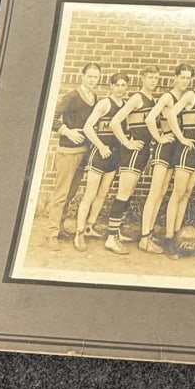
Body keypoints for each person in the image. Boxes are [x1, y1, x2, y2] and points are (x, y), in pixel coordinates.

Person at [104, 67, 161, 254]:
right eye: (150, 78)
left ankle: (117, 231)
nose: (153, 81)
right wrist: (127, 142)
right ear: (143, 79)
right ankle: (111, 238)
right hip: (133, 152)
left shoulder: (152, 100)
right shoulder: (137, 98)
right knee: (123, 193)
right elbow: (114, 122)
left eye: (156, 78)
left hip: (143, 151)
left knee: (128, 193)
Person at [161, 64, 195, 258]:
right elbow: (170, 114)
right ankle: (168, 239)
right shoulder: (190, 95)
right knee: (177, 194)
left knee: (187, 194)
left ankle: (177, 235)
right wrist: (182, 138)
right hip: (187, 149)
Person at [45, 62, 101, 251]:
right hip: (68, 151)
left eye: (96, 77)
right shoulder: (71, 96)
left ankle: (60, 227)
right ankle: (52, 233)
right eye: (90, 76)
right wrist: (66, 131)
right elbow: (51, 117)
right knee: (60, 194)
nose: (93, 80)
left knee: (71, 193)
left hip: (84, 151)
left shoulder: (95, 97)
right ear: (82, 76)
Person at [137, 64, 192, 254]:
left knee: (162, 193)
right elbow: (150, 118)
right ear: (175, 78)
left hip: (177, 148)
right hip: (165, 147)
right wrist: (159, 138)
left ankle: (150, 234)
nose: (185, 81)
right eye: (182, 77)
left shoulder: (185, 98)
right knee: (155, 192)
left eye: (188, 78)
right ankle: (144, 238)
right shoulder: (168, 97)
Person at [73, 72, 130, 251]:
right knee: (90, 194)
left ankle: (90, 226)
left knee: (103, 193)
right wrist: (101, 146)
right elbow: (87, 127)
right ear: (111, 86)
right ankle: (79, 233)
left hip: (113, 156)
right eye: (117, 85)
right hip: (99, 154)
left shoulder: (126, 106)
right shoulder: (105, 103)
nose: (120, 89)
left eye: (123, 85)